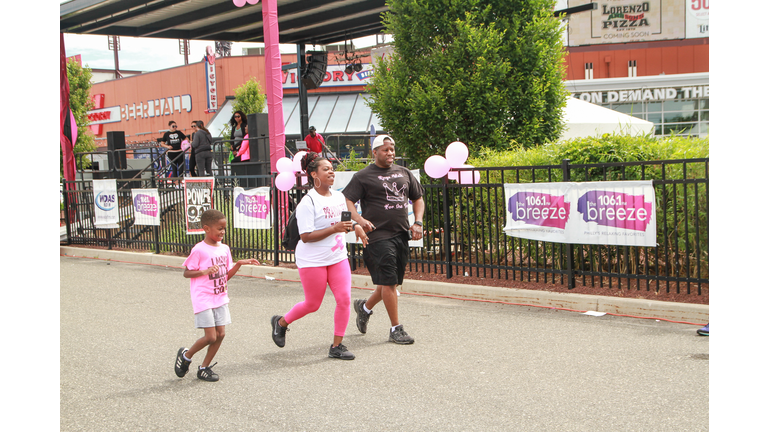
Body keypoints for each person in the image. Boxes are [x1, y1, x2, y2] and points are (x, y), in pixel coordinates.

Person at [270, 152, 368, 360]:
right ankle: (281, 323)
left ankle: (337, 346)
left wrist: (356, 227)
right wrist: (335, 229)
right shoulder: (308, 202)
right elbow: (305, 236)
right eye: (326, 169)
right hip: (312, 260)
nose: (331, 171)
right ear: (314, 175)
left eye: (332, 168)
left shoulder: (339, 197)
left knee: (344, 299)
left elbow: (345, 221)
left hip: (337, 257)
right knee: (312, 304)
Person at [343, 135, 425, 344]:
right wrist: (360, 219)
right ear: (375, 152)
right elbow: (348, 200)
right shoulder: (363, 176)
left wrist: (418, 222)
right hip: (377, 236)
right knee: (389, 282)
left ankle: (364, 307)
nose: (390, 153)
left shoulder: (403, 172)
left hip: (400, 234)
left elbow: (418, 198)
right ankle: (396, 329)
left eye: (392, 149)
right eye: (385, 150)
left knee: (390, 283)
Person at [175, 209, 260, 381]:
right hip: (204, 297)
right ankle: (186, 356)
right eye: (219, 228)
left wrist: (239, 264)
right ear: (207, 228)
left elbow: (225, 276)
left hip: (220, 296)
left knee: (221, 334)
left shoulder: (225, 249)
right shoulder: (199, 249)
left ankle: (204, 367)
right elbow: (187, 273)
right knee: (210, 336)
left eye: (224, 229)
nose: (222, 232)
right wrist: (204, 271)